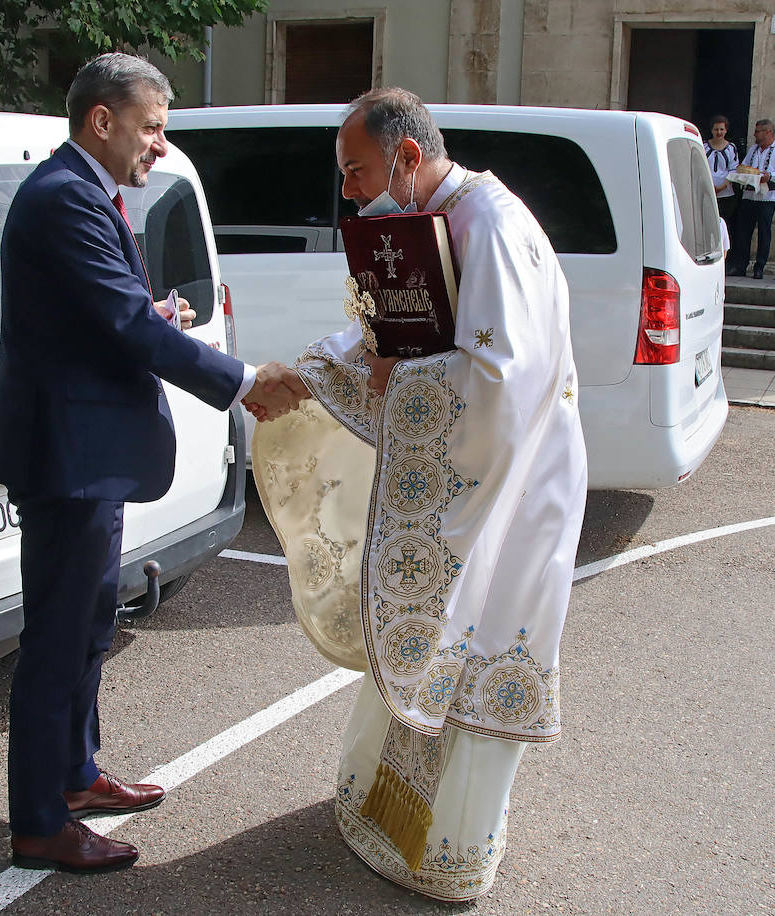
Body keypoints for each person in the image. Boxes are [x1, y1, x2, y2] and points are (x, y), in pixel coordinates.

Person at [249, 88, 588, 901]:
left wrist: (393, 377)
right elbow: (390, 330)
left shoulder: (493, 225)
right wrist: (306, 373)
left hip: (514, 487)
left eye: (358, 169)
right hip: (478, 482)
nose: (351, 190)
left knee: (479, 645)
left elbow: (498, 380)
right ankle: (390, 813)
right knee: (429, 634)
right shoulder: (436, 219)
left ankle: (452, 850)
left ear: (406, 156)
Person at [0, 52, 302, 874]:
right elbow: (123, 327)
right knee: (57, 639)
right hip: (68, 458)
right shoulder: (63, 199)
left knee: (90, 624)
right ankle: (40, 823)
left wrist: (150, 311)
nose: (159, 145)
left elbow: (105, 315)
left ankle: (76, 776)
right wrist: (241, 381)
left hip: (94, 454)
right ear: (103, 120)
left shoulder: (86, 193)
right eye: (152, 127)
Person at [727, 118, 775, 280]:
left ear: (768, 132)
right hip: (749, 196)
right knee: (743, 232)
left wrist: (770, 175)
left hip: (767, 198)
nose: (755, 135)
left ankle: (760, 267)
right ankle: (740, 265)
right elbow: (743, 166)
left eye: (758, 131)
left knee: (764, 233)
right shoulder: (754, 150)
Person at [704, 114, 739, 238]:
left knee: (723, 224)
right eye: (716, 129)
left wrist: (722, 187)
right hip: (707, 191)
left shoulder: (731, 148)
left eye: (721, 129)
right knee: (706, 223)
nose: (719, 132)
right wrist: (710, 186)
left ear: (726, 130)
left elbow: (734, 170)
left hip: (725, 193)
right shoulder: (704, 146)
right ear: (712, 130)